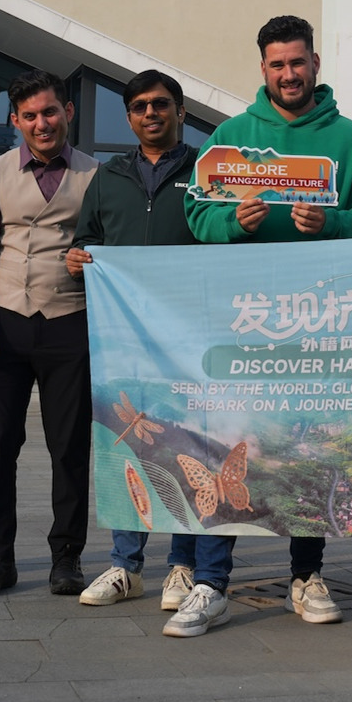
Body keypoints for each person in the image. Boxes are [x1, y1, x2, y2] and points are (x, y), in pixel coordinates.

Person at [185, 14, 352, 623]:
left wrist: (335, 224)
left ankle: (307, 576)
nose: (288, 73)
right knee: (227, 438)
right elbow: (197, 218)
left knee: (308, 444)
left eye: (297, 62)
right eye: (277, 64)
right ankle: (210, 580)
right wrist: (229, 224)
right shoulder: (229, 135)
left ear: (315, 64)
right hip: (243, 321)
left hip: (319, 319)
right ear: (263, 69)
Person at [65, 70, 235, 637]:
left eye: (161, 104)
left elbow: (224, 236)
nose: (150, 114)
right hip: (126, 341)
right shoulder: (108, 178)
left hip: (191, 339)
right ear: (129, 116)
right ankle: (125, 566)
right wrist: (79, 258)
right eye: (138, 107)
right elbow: (85, 239)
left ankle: (182, 567)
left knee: (187, 445)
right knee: (126, 448)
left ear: (181, 111)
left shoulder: (207, 172)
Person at [0, 70, 100, 596]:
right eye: (30, 116)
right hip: (5, 322)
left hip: (71, 323)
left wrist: (92, 260)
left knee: (69, 448)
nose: (42, 123)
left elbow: (112, 248)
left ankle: (67, 557)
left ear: (67, 111)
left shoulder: (96, 175)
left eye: (50, 112)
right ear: (14, 121)